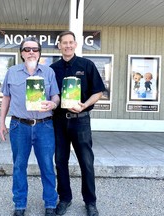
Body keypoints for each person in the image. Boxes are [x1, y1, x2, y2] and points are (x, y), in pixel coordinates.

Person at [0, 36, 60, 216]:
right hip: (19, 126)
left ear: (40, 53)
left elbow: (56, 95)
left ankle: (50, 203)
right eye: (27, 49)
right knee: (19, 166)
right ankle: (19, 205)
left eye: (35, 49)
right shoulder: (12, 72)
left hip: (44, 126)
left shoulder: (48, 72)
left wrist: (53, 104)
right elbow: (6, 98)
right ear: (22, 53)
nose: (31, 52)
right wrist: (1, 122)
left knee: (47, 166)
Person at [50, 31, 105, 216]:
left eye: (70, 42)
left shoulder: (86, 65)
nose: (67, 45)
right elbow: (51, 94)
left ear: (75, 44)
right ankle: (65, 198)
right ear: (59, 45)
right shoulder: (53, 69)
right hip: (58, 122)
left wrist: (85, 105)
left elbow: (98, 91)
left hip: (80, 121)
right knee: (60, 161)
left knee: (86, 163)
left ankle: (90, 202)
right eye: (64, 42)